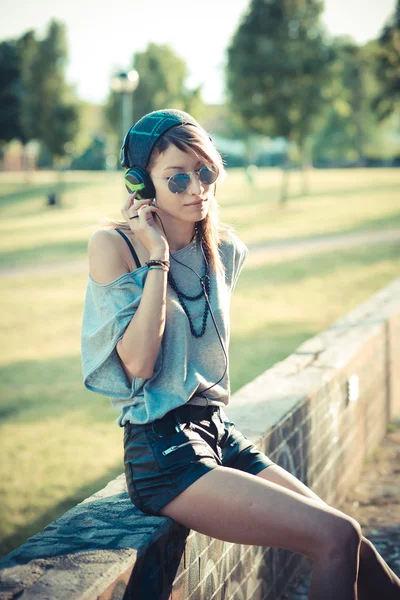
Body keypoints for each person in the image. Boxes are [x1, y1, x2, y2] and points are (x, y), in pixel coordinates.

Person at [81, 109, 400, 600]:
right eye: (177, 177)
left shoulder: (223, 251)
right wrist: (158, 257)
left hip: (218, 432)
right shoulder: (114, 245)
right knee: (333, 539)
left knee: (352, 539)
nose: (196, 188)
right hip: (163, 452)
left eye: (205, 172)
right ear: (140, 184)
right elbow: (139, 366)